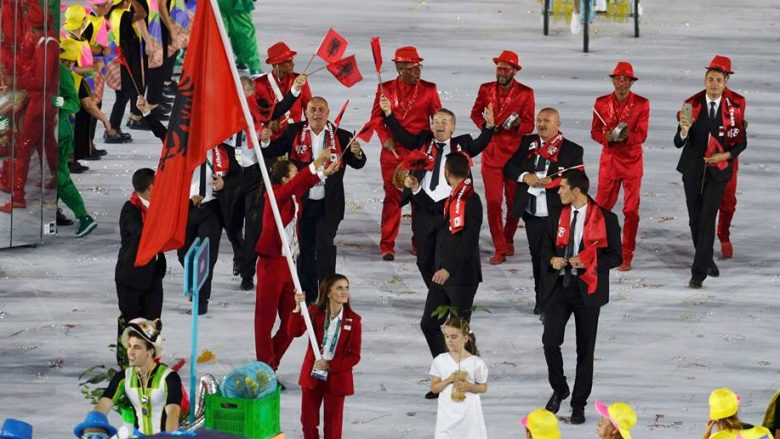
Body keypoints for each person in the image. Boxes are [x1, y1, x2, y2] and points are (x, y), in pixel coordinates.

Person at [262, 96, 367, 302]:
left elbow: (357, 163)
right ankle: (308, 294)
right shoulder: (293, 132)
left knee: (324, 245)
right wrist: (265, 139)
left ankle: (328, 292)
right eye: (312, 110)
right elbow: (272, 150)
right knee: (305, 248)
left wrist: (358, 152)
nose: (317, 113)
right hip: (302, 204)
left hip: (329, 205)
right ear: (306, 113)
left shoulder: (341, 136)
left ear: (328, 113)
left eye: (321, 109)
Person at [539, 169, 622, 424]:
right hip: (560, 288)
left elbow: (615, 256)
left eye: (562, 187)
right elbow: (544, 248)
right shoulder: (557, 215)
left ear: (577, 191)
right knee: (550, 340)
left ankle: (578, 403)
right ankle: (560, 387)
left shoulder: (606, 218)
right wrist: (551, 258)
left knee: (585, 350)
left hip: (588, 289)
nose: (558, 191)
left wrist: (588, 261)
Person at [383, 105, 493, 288]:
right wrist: (388, 114)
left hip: (451, 209)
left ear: (453, 127)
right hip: (424, 207)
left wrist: (489, 127)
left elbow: (480, 143)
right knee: (423, 260)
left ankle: (445, 296)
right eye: (435, 122)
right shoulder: (423, 141)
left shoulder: (462, 144)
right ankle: (437, 292)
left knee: (447, 257)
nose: (439, 125)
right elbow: (402, 136)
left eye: (444, 122)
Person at [254, 150, 339, 371]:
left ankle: (270, 363)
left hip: (290, 265)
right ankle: (266, 368)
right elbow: (294, 186)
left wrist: (323, 173)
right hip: (271, 264)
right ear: (284, 179)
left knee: (294, 321)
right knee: (264, 322)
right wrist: (314, 164)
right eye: (294, 172)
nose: (298, 175)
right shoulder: (273, 195)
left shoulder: (291, 194)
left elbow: (300, 185)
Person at [408, 152, 485, 376]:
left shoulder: (470, 200)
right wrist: (416, 189)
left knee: (459, 332)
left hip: (461, 278)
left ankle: (465, 377)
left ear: (446, 172)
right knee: (429, 324)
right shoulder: (452, 198)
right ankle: (447, 372)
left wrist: (448, 269)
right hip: (441, 277)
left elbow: (469, 241)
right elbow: (433, 210)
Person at [675, 55, 746, 289]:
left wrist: (723, 156)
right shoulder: (691, 103)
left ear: (726, 81)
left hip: (719, 171)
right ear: (705, 80)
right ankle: (705, 259)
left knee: (707, 218)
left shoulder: (736, 104)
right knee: (695, 220)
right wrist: (684, 131)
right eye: (710, 79)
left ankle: (698, 273)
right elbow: (678, 142)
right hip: (693, 169)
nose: (714, 84)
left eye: (719, 80)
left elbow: (741, 143)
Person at [505, 108, 584, 315]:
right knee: (538, 258)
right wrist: (525, 176)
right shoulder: (527, 143)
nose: (541, 124)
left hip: (558, 216)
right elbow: (509, 167)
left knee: (557, 259)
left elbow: (579, 179)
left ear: (558, 124)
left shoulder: (572, 150)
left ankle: (556, 301)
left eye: (547, 121)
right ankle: (541, 300)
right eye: (539, 120)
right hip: (532, 216)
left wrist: (555, 182)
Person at [236, 73, 309, 291]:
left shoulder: (259, 106)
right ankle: (240, 257)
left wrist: (295, 90)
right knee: (231, 224)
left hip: (260, 173)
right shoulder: (225, 111)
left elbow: (277, 110)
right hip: (232, 174)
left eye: (249, 91)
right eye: (243, 91)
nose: (247, 95)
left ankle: (247, 273)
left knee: (254, 225)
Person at [370, 46, 442, 260]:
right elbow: (376, 118)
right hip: (393, 154)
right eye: (412, 68)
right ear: (400, 69)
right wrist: (385, 138)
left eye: (419, 67)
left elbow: (437, 117)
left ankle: (419, 242)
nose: (418, 72)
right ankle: (387, 245)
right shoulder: (385, 89)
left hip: (419, 153)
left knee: (419, 199)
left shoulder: (429, 89)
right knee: (392, 199)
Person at [470, 50, 535, 264]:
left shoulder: (526, 93)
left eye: (506, 69)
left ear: (515, 71)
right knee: (493, 202)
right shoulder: (485, 89)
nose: (502, 72)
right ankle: (499, 247)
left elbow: (529, 125)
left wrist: (517, 126)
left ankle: (507, 238)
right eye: (499, 68)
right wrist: (486, 127)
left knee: (515, 203)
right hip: (490, 153)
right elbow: (475, 112)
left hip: (515, 156)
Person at [591, 61, 650, 271]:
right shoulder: (600, 103)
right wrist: (607, 137)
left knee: (631, 210)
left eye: (626, 80)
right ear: (613, 80)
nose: (621, 83)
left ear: (631, 83)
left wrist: (627, 137)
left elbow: (642, 134)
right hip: (609, 161)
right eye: (618, 79)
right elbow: (594, 132)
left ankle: (627, 253)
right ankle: (598, 249)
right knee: (600, 209)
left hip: (632, 162)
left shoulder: (642, 104)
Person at [0, 2, 58, 213]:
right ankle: (56, 176)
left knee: (23, 147)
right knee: (48, 141)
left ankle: (18, 197)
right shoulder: (48, 43)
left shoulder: (46, 46)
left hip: (40, 103)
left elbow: (41, 81)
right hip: (46, 103)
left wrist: (16, 81)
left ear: (33, 29)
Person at [288, 274, 362, 439]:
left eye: (346, 288)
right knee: (308, 421)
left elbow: (355, 356)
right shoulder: (314, 312)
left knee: (333, 425)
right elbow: (293, 332)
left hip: (336, 378)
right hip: (312, 375)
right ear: (328, 292)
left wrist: (329, 365)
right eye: (339, 288)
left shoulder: (354, 320)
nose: (344, 292)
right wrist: (297, 308)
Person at [95, 318, 182, 435]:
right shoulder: (123, 377)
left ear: (150, 351)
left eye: (137, 347)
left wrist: (170, 437)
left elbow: (173, 414)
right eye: (129, 346)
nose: (130, 352)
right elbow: (103, 405)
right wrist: (93, 425)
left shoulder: (170, 378)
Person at [115, 168, 166, 365]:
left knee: (153, 324)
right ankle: (126, 369)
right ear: (151, 187)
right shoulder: (130, 209)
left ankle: (152, 365)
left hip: (152, 276)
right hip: (131, 278)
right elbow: (139, 232)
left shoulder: (156, 206)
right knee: (131, 326)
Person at [56, 40, 99, 236]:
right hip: (37, 133)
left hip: (59, 135)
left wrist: (61, 103)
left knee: (59, 177)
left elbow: (75, 105)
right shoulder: (27, 68)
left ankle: (84, 216)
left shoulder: (62, 73)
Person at [429, 317, 488, 438]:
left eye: (454, 337)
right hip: (447, 415)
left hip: (469, 415)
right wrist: (448, 380)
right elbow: (434, 388)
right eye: (446, 336)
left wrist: (469, 386)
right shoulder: (440, 360)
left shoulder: (475, 362)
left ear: (465, 338)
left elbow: (483, 387)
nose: (449, 340)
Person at [255, 42, 312, 140]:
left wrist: (309, 137)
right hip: (270, 141)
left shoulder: (299, 81)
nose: (292, 64)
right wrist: (267, 124)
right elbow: (255, 114)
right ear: (276, 64)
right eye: (288, 61)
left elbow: (309, 110)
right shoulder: (259, 84)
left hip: (295, 139)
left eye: (292, 60)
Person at [107, 0, 147, 133]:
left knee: (123, 95)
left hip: (120, 58)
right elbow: (142, 13)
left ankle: (114, 129)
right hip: (125, 59)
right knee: (123, 95)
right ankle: (112, 130)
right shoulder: (123, 15)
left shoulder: (113, 13)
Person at [217, 0, 262, 77]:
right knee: (244, 31)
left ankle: (240, 61)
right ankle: (254, 67)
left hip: (216, 3)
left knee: (221, 31)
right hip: (236, 2)